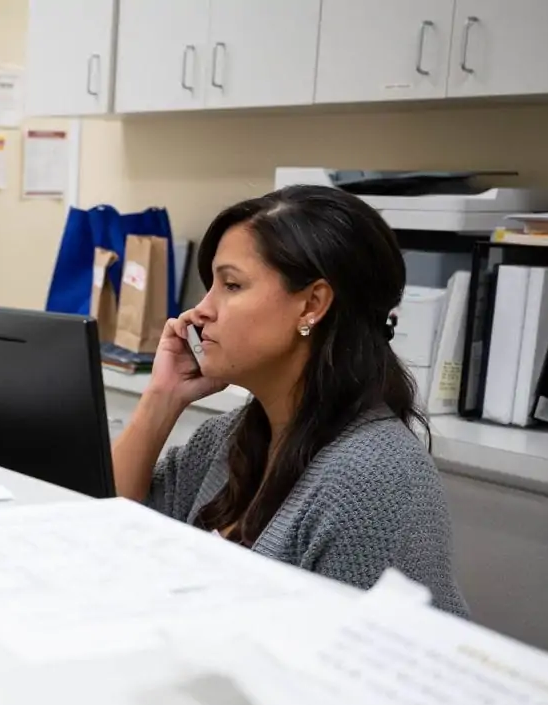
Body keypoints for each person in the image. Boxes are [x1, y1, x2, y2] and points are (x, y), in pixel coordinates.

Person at [112, 185, 468, 616]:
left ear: (312, 304)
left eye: (231, 284)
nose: (200, 311)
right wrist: (161, 398)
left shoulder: (375, 476)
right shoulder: (226, 439)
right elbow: (104, 533)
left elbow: (341, 665)